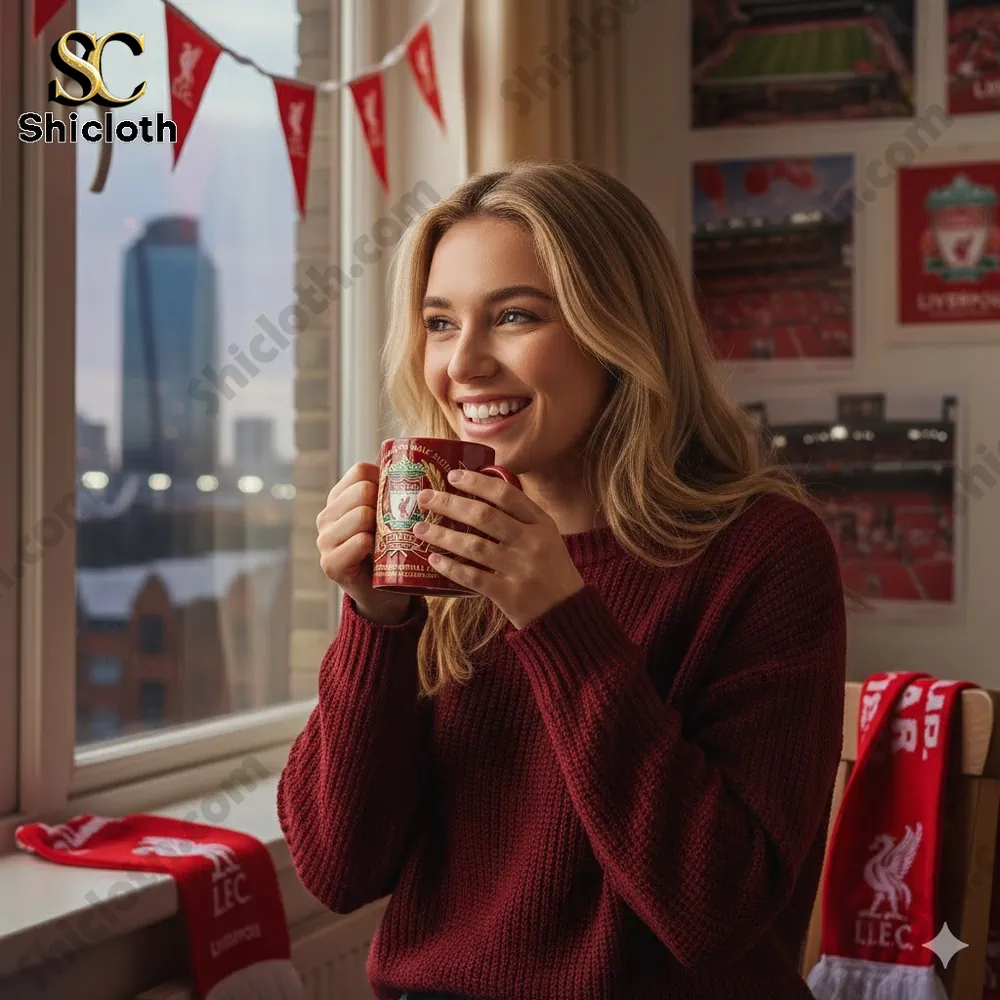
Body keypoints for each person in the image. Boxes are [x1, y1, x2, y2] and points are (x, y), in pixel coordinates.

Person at [278, 160, 846, 1000]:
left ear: (618, 332)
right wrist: (374, 619)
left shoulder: (764, 551)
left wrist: (556, 618)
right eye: (439, 323)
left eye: (513, 316)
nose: (462, 364)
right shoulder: (435, 550)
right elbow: (337, 868)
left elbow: (719, 911)